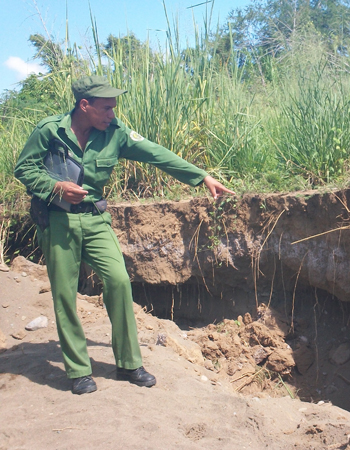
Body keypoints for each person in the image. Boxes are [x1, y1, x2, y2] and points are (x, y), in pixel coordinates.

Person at [14, 75, 235, 395]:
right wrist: (56, 187)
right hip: (58, 220)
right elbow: (25, 168)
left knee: (118, 280)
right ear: (84, 105)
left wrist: (202, 177)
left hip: (95, 220)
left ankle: (129, 363)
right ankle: (78, 370)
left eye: (114, 108)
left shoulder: (115, 134)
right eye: (106, 108)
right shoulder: (50, 131)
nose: (112, 114)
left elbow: (156, 153)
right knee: (65, 294)